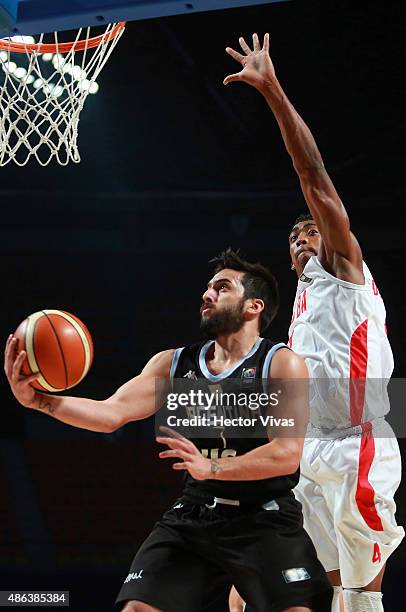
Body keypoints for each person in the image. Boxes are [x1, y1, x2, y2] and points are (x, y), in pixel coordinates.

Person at [4, 249, 332, 612]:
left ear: (254, 306)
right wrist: (40, 402)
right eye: (208, 287)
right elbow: (110, 413)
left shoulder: (280, 363)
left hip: (265, 517)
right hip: (196, 513)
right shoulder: (173, 365)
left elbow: (286, 454)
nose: (207, 294)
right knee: (138, 610)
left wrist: (213, 468)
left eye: (222, 288)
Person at [224, 34, 404, 612]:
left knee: (361, 594)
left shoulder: (346, 269)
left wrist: (272, 89)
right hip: (312, 451)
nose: (303, 238)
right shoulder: (299, 306)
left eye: (311, 230)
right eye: (294, 237)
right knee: (327, 588)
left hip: (359, 444)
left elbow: (312, 173)